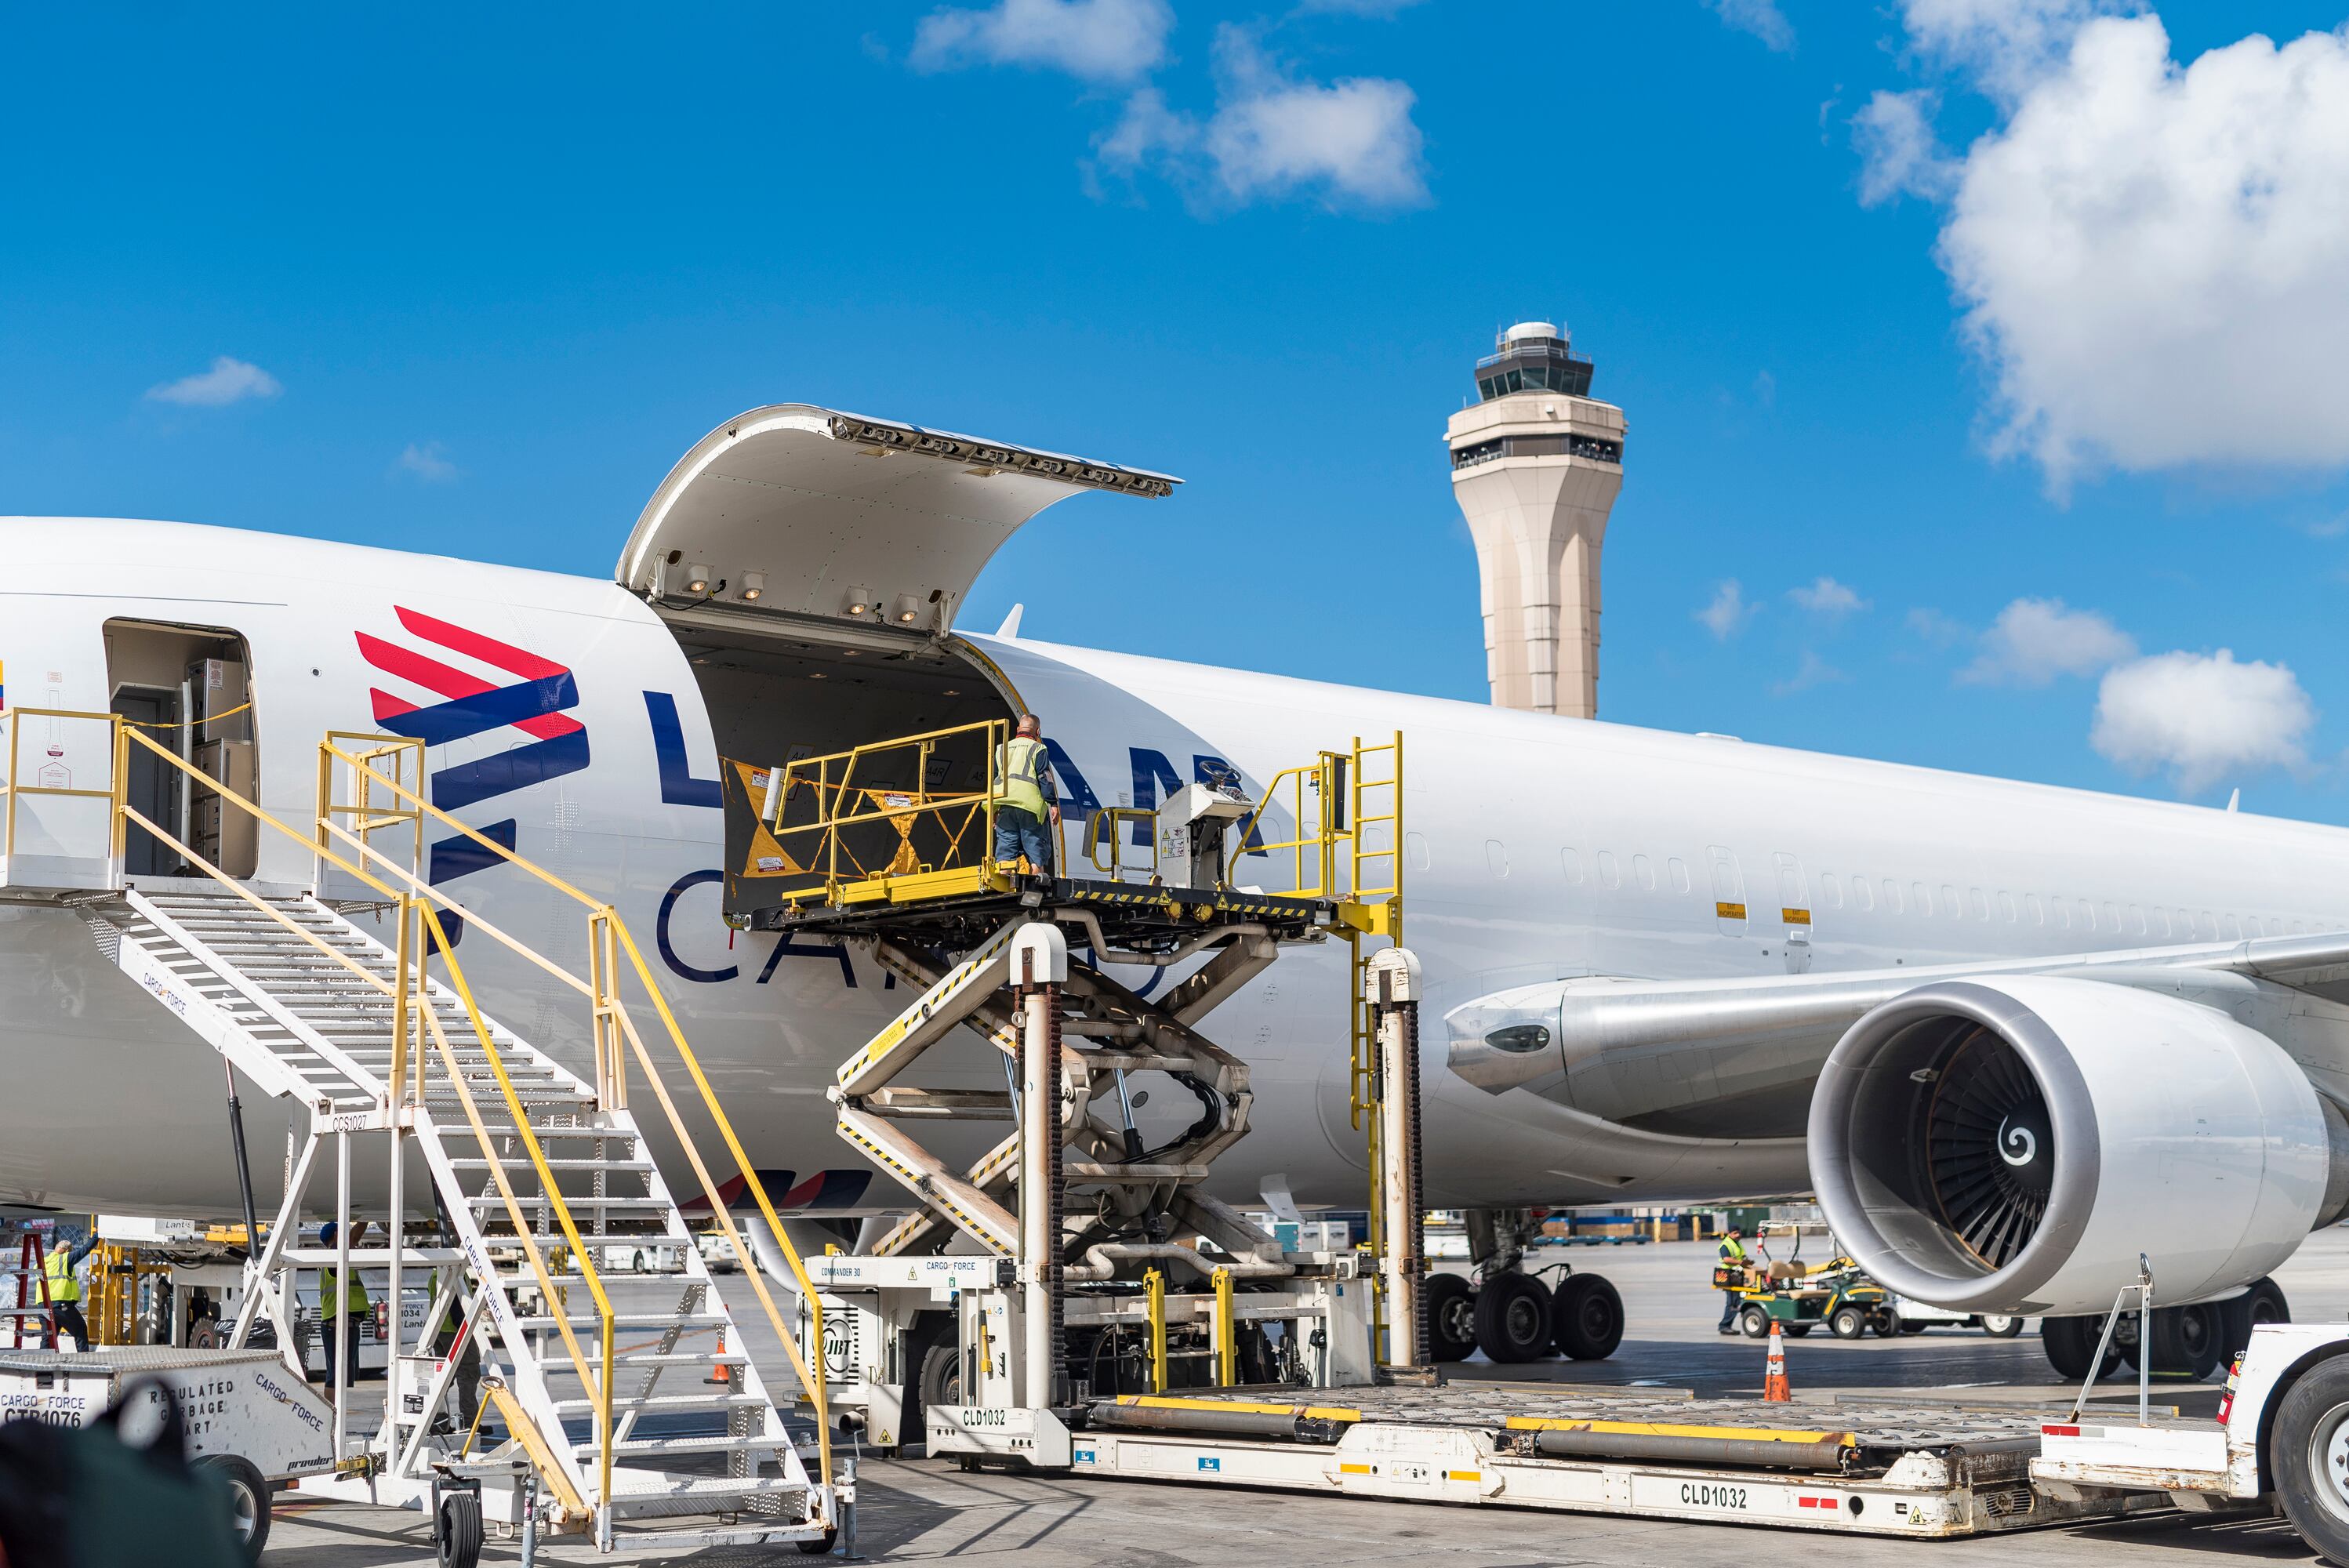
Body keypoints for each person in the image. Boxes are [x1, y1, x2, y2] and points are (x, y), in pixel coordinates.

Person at [991, 713, 1060, 875]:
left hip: (1005, 804)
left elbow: (995, 778)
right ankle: (1034, 891)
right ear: (1038, 731)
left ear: (1018, 729)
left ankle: (1005, 893)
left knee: (1005, 853)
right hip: (1029, 806)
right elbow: (1044, 777)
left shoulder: (1001, 749)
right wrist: (1053, 803)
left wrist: (994, 808)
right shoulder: (1038, 748)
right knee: (1036, 852)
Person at [314, 1220, 371, 1388]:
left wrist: (364, 1220)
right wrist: (363, 1218)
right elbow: (351, 1238)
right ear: (337, 1235)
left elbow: (353, 1238)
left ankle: (337, 1412)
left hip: (345, 1326)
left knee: (344, 1375)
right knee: (336, 1375)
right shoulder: (335, 1256)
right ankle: (334, 1413)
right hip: (336, 1326)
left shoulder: (341, 1256)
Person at [42, 1230, 99, 1352]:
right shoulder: (65, 1259)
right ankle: (83, 1362)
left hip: (43, 1306)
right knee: (80, 1329)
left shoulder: (44, 1262)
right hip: (59, 1305)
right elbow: (84, 1250)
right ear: (67, 1251)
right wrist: (97, 1236)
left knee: (49, 1337)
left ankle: (43, 1368)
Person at [1715, 1225, 1749, 1335]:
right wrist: (1740, 1263)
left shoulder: (1738, 1243)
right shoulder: (1725, 1244)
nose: (1738, 1235)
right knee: (1732, 1302)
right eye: (1735, 1233)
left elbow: (1742, 1257)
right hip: (1727, 1275)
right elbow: (1726, 1259)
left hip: (1736, 1275)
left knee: (1736, 1301)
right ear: (1729, 1233)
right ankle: (1724, 1326)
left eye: (1739, 1232)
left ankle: (1727, 1325)